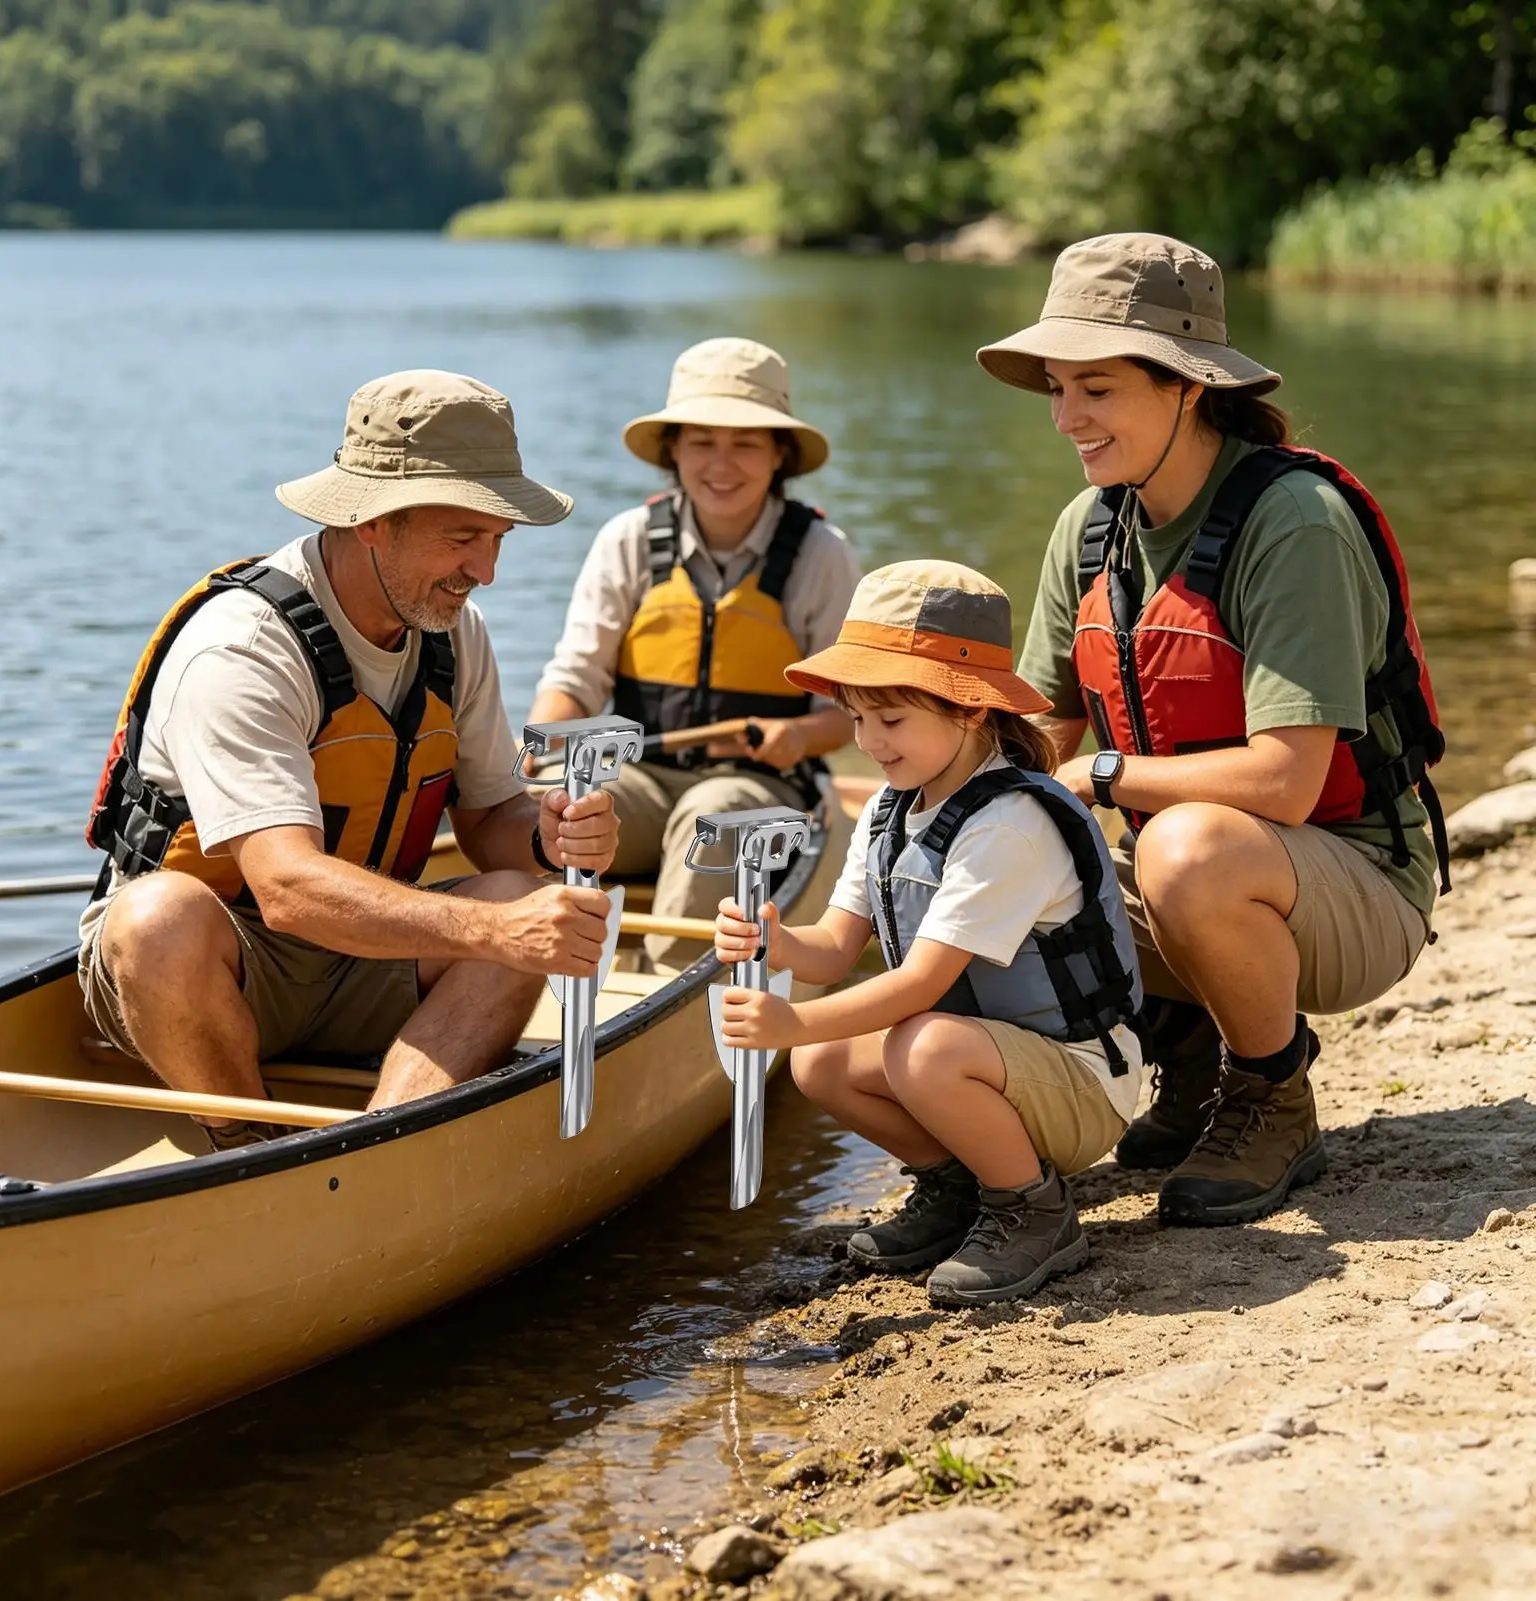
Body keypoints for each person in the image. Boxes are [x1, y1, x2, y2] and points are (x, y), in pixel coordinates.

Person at [977, 232, 1445, 1226]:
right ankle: (1176, 1058)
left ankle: (1268, 1090)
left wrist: (1100, 775)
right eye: (1055, 387)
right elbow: (1039, 734)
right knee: (962, 843)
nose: (1064, 418)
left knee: (1183, 848)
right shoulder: (1089, 528)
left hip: (1347, 881)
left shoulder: (1295, 522)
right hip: (1192, 871)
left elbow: (1283, 784)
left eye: (1093, 389)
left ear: (1185, 386)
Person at [79, 370, 621, 1147]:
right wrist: (495, 933)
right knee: (157, 916)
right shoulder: (244, 647)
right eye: (463, 536)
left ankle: (383, 1144)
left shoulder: (453, 631)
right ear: (374, 521)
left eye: (497, 538)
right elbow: (287, 890)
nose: (487, 571)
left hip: (360, 963)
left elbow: (488, 818)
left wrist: (548, 835)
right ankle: (248, 1148)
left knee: (516, 892)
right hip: (217, 964)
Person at [713, 561, 1144, 1306]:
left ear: (971, 711)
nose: (869, 742)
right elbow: (834, 946)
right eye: (854, 718)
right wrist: (776, 943)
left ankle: (1032, 1211)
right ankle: (958, 1191)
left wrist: (789, 1020)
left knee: (919, 1040)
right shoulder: (890, 806)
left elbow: (919, 986)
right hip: (982, 1068)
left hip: (1079, 1086)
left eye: (891, 720)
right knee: (820, 1062)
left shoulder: (1009, 823)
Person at [526, 337, 861, 968]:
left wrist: (799, 735)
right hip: (646, 780)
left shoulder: (823, 554)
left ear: (779, 454)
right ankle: (529, 966)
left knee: (711, 816)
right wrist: (543, 746)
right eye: (702, 442)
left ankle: (661, 990)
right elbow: (575, 676)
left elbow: (850, 714)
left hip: (765, 787)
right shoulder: (626, 540)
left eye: (745, 443)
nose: (721, 464)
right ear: (673, 451)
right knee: (552, 805)